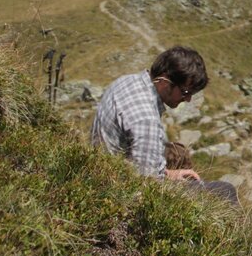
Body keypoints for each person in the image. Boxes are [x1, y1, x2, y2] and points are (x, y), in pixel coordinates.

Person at [91, 45, 237, 204]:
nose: (187, 99)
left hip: (104, 173)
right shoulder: (146, 120)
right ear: (165, 81)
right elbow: (149, 186)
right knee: (225, 191)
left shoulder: (127, 81)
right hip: (120, 192)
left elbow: (138, 165)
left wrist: (168, 174)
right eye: (185, 92)